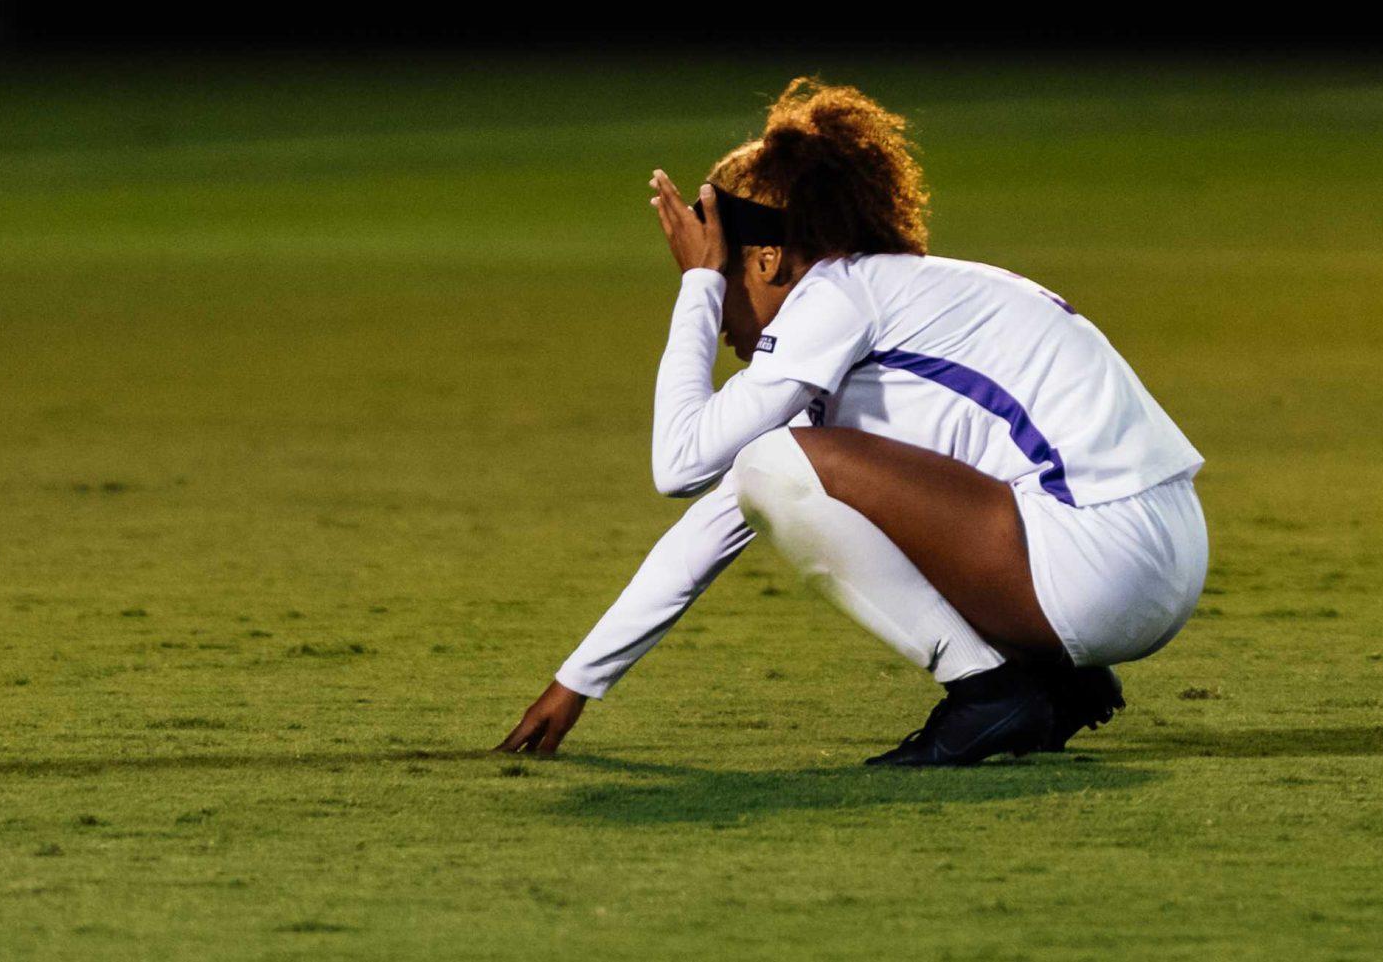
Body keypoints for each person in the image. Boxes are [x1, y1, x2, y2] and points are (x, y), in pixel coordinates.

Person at [494, 78, 1208, 766]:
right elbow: (719, 515)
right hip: (1152, 551)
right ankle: (1056, 680)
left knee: (771, 461)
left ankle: (987, 689)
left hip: (1095, 562)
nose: (718, 324)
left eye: (727, 279)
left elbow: (680, 463)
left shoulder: (835, 296)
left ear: (769, 256)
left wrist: (695, 283)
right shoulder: (890, 295)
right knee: (771, 466)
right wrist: (579, 678)